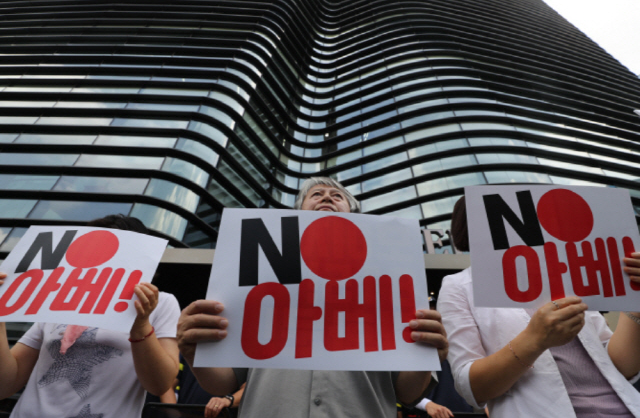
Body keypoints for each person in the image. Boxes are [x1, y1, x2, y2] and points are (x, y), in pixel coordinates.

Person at [177, 176, 449, 418]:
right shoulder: (254, 278)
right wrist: (193, 353)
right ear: (298, 213)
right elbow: (223, 384)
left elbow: (407, 392)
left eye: (337, 196)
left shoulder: (392, 276)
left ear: (355, 214)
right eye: (316, 194)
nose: (327, 197)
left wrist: (426, 356)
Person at [438, 196, 640, 417]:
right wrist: (535, 339)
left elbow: (620, 367)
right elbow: (472, 388)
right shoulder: (458, 286)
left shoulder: (565, 275)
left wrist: (635, 306)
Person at [0, 215, 180, 418]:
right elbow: (5, 384)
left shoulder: (161, 303)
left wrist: (140, 325)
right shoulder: (56, 298)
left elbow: (160, 384)